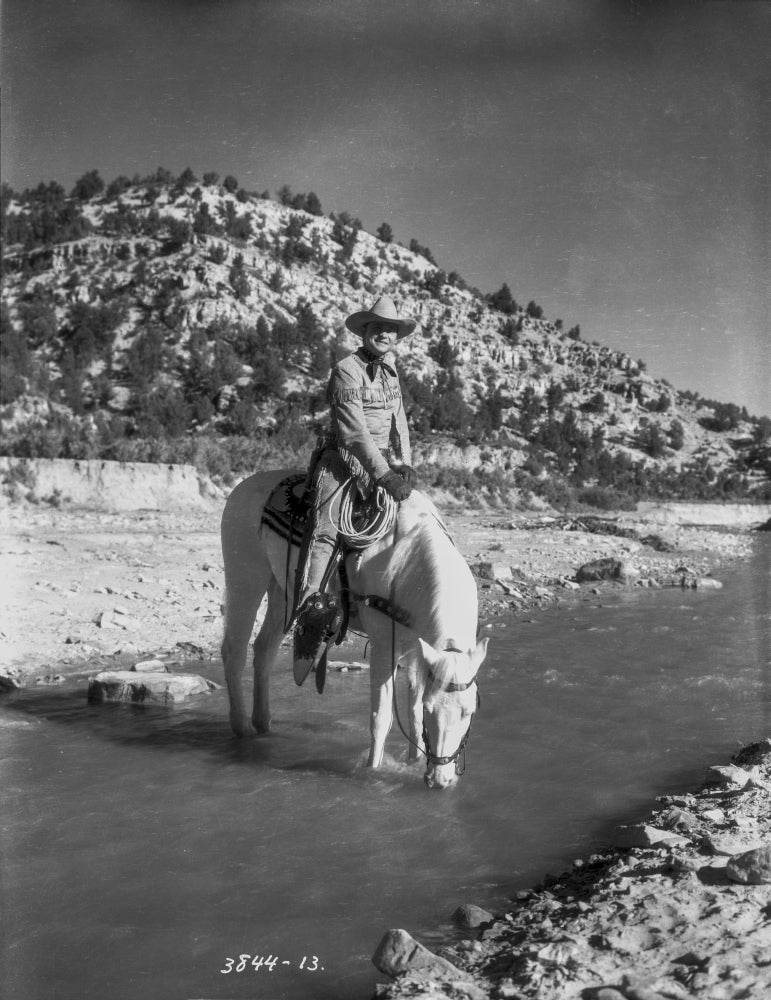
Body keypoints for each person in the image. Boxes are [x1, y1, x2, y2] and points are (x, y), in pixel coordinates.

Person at [293, 294, 418, 682]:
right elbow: (353, 433)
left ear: (397, 337)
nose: (384, 334)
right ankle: (311, 611)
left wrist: (407, 462)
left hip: (385, 463)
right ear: (364, 331)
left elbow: (400, 421)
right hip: (344, 460)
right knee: (327, 529)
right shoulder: (346, 370)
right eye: (378, 327)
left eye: (391, 330)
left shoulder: (392, 372)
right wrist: (384, 476)